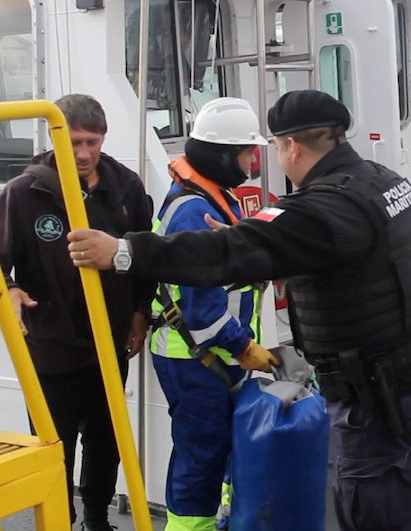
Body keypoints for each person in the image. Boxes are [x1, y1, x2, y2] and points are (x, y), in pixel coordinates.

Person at [67, 90, 411, 531]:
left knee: (375, 514)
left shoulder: (320, 209)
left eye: (268, 147)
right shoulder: (384, 181)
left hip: (380, 396)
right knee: (397, 500)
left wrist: (122, 251)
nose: (260, 160)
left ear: (291, 146)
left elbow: (236, 248)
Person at [0, 94, 153, 530]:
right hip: (51, 347)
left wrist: (139, 312)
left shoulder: (127, 187)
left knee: (107, 441)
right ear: (55, 138)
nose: (84, 153)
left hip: (109, 344)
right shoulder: (25, 193)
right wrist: (9, 290)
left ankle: (97, 519)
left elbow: (147, 254)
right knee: (55, 446)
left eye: (93, 141)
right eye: (74, 142)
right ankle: (58, 522)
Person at [147, 97, 277, 531]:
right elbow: (203, 313)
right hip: (196, 358)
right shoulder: (194, 212)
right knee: (200, 459)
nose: (251, 161)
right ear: (223, 156)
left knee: (212, 451)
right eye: (245, 152)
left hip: (208, 358)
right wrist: (245, 348)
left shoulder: (211, 198)